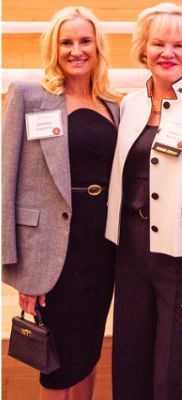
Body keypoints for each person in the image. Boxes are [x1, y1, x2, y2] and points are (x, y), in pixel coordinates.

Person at [102, 4, 182, 398]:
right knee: (131, 366)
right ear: (144, 49)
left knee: (180, 375)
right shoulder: (130, 105)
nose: (168, 53)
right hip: (131, 252)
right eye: (158, 43)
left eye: (179, 44)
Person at [2, 7, 121, 398]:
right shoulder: (29, 96)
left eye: (84, 41)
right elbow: (6, 180)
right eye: (66, 42)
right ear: (54, 47)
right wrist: (19, 268)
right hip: (51, 251)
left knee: (88, 352)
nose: (76, 50)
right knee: (55, 363)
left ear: (97, 47)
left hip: (100, 250)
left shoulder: (113, 107)